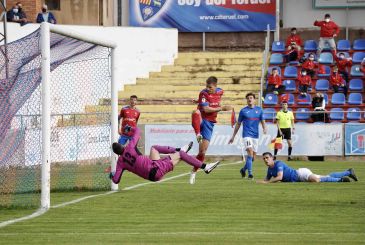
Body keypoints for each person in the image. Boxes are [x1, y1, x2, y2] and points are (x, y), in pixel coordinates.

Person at [109, 126, 220, 184]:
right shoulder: (130, 147)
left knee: (154, 148)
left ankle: (178, 150)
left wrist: (112, 176)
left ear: (117, 154)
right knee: (180, 155)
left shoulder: (120, 163)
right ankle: (205, 167)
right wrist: (130, 129)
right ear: (122, 146)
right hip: (156, 169)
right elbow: (137, 130)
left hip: (152, 169)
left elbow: (116, 180)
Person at [190, 76, 232, 184]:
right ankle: (198, 133)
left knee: (202, 151)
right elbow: (206, 109)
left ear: (216, 86)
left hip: (210, 123)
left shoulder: (220, 91)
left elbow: (217, 100)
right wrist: (221, 108)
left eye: (210, 87)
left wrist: (198, 101)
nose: (208, 89)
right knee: (196, 112)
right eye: (207, 87)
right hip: (201, 119)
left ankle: (194, 171)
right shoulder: (203, 93)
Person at [228, 93, 267, 180]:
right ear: (247, 100)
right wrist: (233, 136)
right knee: (250, 152)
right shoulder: (243, 111)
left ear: (254, 100)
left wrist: (264, 128)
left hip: (255, 136)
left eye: (251, 98)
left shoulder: (259, 110)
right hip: (246, 135)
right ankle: (250, 174)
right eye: (248, 98)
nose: (249, 99)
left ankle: (243, 170)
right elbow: (238, 124)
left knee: (253, 158)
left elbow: (263, 121)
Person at [258, 152, 358, 183]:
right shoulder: (269, 170)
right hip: (299, 178)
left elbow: (279, 177)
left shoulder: (278, 163)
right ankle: (348, 172)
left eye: (267, 158)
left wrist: (267, 183)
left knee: (316, 180)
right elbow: (266, 179)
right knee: (324, 176)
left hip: (300, 174)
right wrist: (261, 182)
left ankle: (341, 180)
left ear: (272, 158)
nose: (266, 160)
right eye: (264, 159)